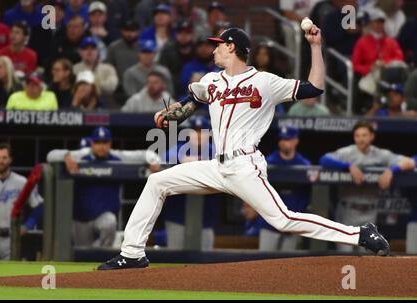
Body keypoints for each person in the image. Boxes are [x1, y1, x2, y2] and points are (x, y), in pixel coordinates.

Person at [98, 26, 393, 270]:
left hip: (245, 166)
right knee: (157, 181)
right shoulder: (212, 80)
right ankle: (133, 253)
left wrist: (315, 46)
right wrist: (177, 108)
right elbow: (193, 96)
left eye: (218, 45)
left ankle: (359, 234)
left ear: (231, 47)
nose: (213, 50)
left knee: (283, 219)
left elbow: (314, 88)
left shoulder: (264, 82)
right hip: (216, 165)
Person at [46, 127, 161, 248]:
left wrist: (153, 160)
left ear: (110, 143)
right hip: (81, 217)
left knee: (109, 222)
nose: (102, 146)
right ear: (92, 143)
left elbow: (145, 154)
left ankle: (102, 253)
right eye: (97, 142)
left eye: (105, 142)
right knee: (83, 251)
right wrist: (65, 156)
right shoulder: (82, 155)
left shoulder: (117, 156)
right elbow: (50, 155)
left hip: (104, 216)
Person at [319, 121, 415, 252]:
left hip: (370, 213)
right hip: (348, 210)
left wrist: (392, 170)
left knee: (367, 257)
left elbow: (410, 162)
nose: (360, 139)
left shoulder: (380, 154)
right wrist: (348, 166)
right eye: (357, 135)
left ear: (371, 137)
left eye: (364, 135)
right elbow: (323, 159)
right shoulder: (347, 153)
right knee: (343, 255)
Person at [160, 115, 218, 250]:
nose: (198, 135)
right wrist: (181, 162)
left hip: (206, 219)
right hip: (177, 217)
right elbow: (162, 160)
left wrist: (201, 163)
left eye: (201, 131)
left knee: (205, 264)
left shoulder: (216, 151)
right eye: (194, 130)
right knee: (175, 261)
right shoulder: (178, 149)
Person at [0, 143, 43, 260]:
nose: (1, 161)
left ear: (10, 159)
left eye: (4, 158)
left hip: (11, 239)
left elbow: (39, 206)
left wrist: (28, 225)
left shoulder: (21, 182)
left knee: (10, 276)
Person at [261, 126, 312, 251]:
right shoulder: (268, 162)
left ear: (296, 141)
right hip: (269, 224)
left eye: (288, 139)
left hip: (292, 225)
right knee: (262, 263)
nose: (283, 142)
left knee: (288, 266)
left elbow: (307, 196)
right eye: (281, 139)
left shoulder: (304, 165)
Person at [351, 7, 404, 78]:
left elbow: (399, 58)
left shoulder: (391, 42)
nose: (379, 25)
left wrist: (386, 63)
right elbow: (355, 65)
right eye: (377, 22)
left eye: (382, 22)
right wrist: (370, 68)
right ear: (370, 23)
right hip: (369, 76)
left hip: (390, 74)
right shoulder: (362, 42)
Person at [159, 20, 196, 99]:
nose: (183, 36)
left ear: (192, 35)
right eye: (180, 33)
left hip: (193, 89)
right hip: (171, 90)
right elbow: (161, 72)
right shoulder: (167, 51)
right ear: (176, 34)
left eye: (187, 33)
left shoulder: (197, 49)